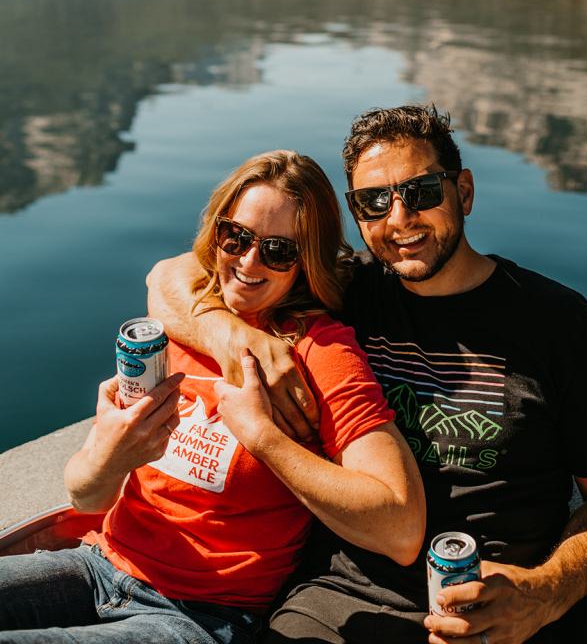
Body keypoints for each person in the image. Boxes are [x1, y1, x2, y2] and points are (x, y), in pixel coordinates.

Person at [147, 107, 587, 644]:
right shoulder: (346, 290)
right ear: (357, 214)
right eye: (374, 202)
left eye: (422, 192)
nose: (399, 219)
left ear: (464, 192)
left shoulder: (559, 325)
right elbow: (171, 277)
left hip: (490, 605)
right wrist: (233, 336)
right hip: (338, 595)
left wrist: (545, 591)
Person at [0, 150, 425, 644]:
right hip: (97, 565)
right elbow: (86, 495)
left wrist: (263, 437)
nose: (247, 262)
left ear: (307, 259)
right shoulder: (184, 321)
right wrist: (112, 455)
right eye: (236, 237)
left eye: (278, 251)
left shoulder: (317, 352)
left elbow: (401, 526)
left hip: (202, 615)